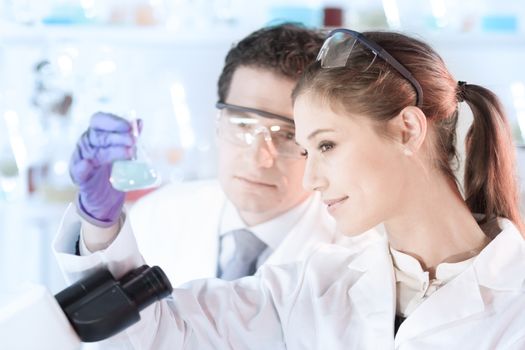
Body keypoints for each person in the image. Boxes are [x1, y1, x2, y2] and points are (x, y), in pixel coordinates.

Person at [55, 28, 525, 349]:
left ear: (406, 129)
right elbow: (159, 335)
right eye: (307, 150)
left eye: (326, 145)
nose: (309, 178)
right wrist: (100, 225)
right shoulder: (312, 286)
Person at [56, 23, 344, 289]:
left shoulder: (355, 252)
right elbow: (110, 331)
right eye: (242, 124)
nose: (259, 158)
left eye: (288, 134)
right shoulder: (159, 213)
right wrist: (98, 228)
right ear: (217, 122)